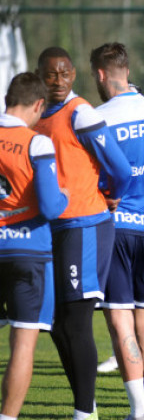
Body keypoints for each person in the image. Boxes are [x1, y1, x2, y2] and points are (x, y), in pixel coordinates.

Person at [34, 46, 131, 420]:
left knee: (76, 320)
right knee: (56, 324)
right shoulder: (38, 116)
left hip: (85, 228)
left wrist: (111, 197)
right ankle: (87, 407)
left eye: (64, 73)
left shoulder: (81, 113)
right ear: (40, 76)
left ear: (74, 75)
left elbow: (120, 169)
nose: (57, 81)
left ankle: (84, 412)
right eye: (50, 74)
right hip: (53, 229)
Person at [89, 42, 144, 420]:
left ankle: (138, 410)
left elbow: (94, 179)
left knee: (119, 318)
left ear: (101, 74)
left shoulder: (97, 117)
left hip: (115, 229)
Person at [0, 73, 70, 420]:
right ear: (39, 105)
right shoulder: (36, 142)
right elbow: (50, 206)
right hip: (28, 252)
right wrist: (65, 196)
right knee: (23, 344)